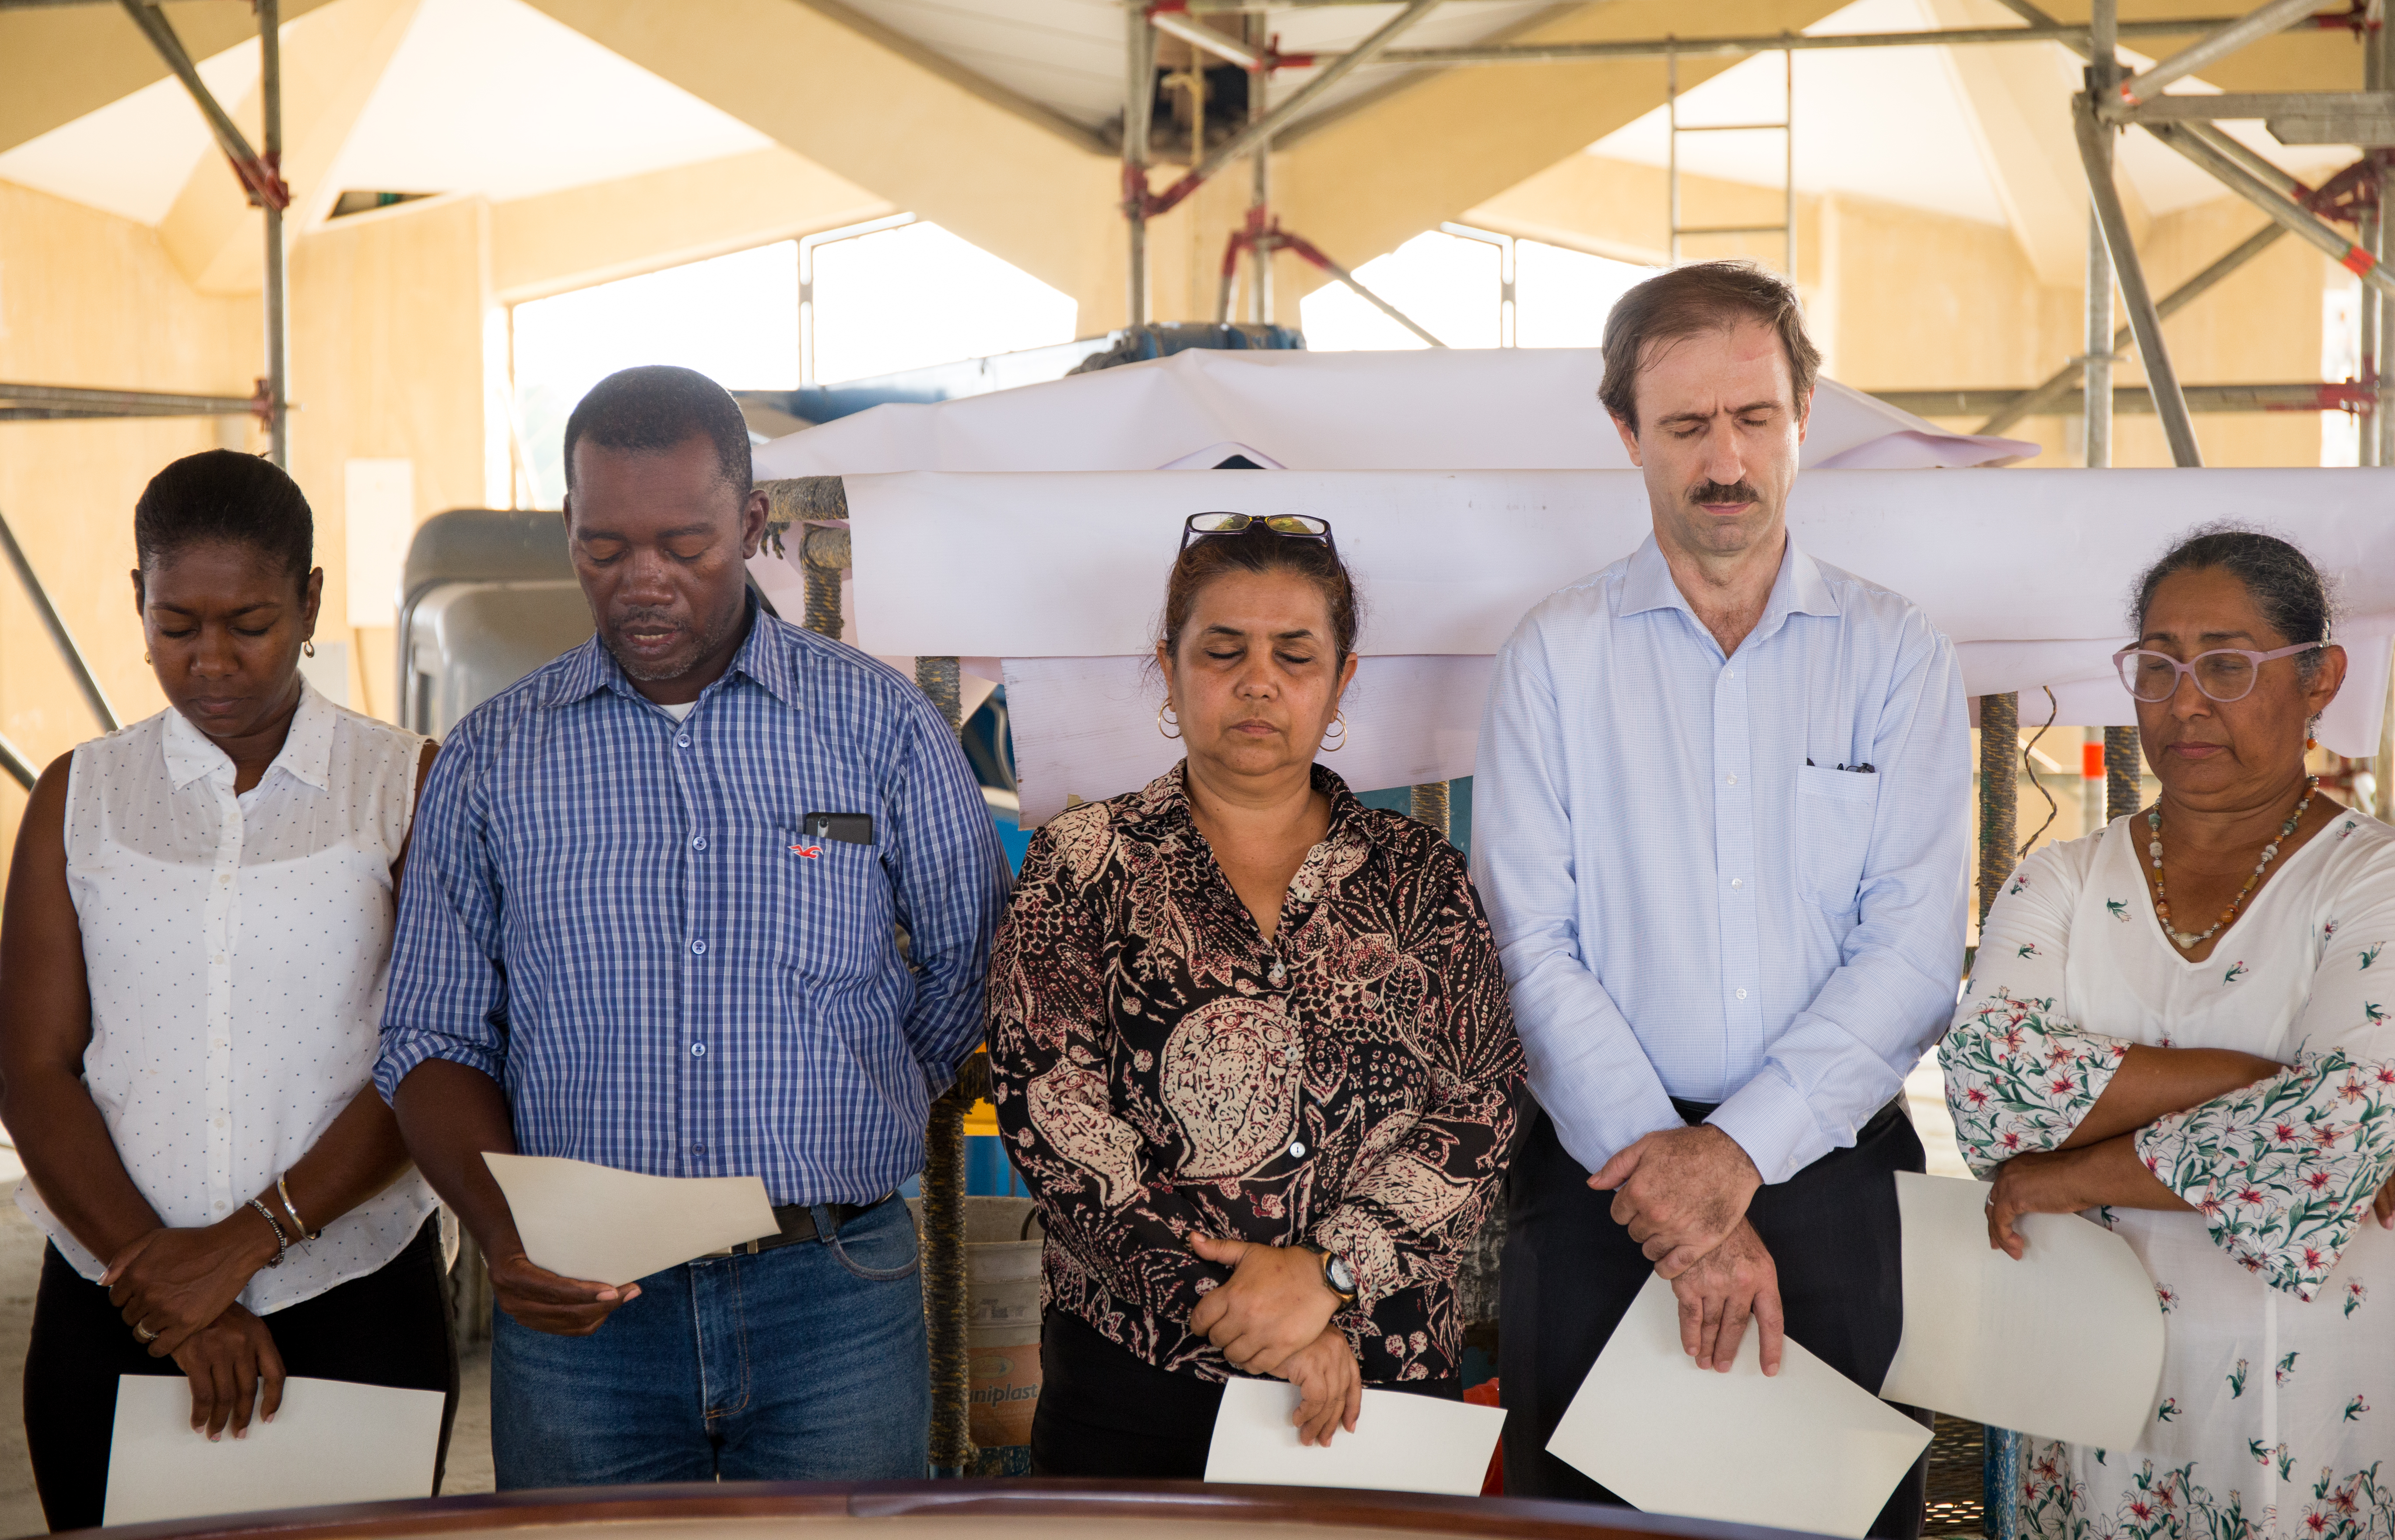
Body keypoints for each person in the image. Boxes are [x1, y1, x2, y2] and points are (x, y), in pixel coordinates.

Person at [376, 365, 1010, 1487]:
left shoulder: (884, 732)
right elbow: (430, 1040)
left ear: (754, 524)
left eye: (686, 544)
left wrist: (853, 1101)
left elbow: (972, 970)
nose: (644, 583)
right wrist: (506, 1233)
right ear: (568, 527)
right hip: (583, 1318)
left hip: (835, 1292)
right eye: (605, 548)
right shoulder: (493, 761)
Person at [1472, 261, 1970, 1530]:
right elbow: (1525, 946)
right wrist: (1680, 1203)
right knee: (1590, 1522)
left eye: (1754, 419)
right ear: (1628, 436)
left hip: (1830, 1175)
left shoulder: (1895, 652)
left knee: (1832, 1520)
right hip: (1601, 1184)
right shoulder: (1557, 655)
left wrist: (1739, 1155)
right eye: (1687, 426)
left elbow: (1912, 952)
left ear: (1805, 416)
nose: (1726, 460)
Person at [989, 512, 1525, 1478]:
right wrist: (1249, 1315)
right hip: (1139, 1382)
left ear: (1343, 679)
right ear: (1169, 665)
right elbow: (1049, 1112)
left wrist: (1329, 1276)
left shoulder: (1420, 879)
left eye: (1296, 655)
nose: (1258, 683)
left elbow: (1480, 1106)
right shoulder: (1083, 866)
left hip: (1381, 1385)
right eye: (1223, 651)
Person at [0, 451, 456, 1531]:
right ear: (138, 605)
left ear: (309, 601)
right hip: (115, 1290)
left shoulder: (403, 784)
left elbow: (432, 1054)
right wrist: (167, 1294)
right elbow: (32, 1065)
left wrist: (244, 1246)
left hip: (351, 1288)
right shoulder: (82, 793)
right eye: (176, 625)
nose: (211, 661)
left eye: (249, 623)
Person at [1942, 527, 2395, 1540]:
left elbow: (2346, 1129)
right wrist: (2256, 1077)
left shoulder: (2373, 880)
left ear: (2321, 678)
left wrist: (2070, 1174)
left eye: (2228, 666)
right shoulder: (2061, 879)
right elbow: (1984, 1087)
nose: (2185, 702)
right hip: (2092, 1403)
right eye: (2157, 667)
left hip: (2317, 1395)